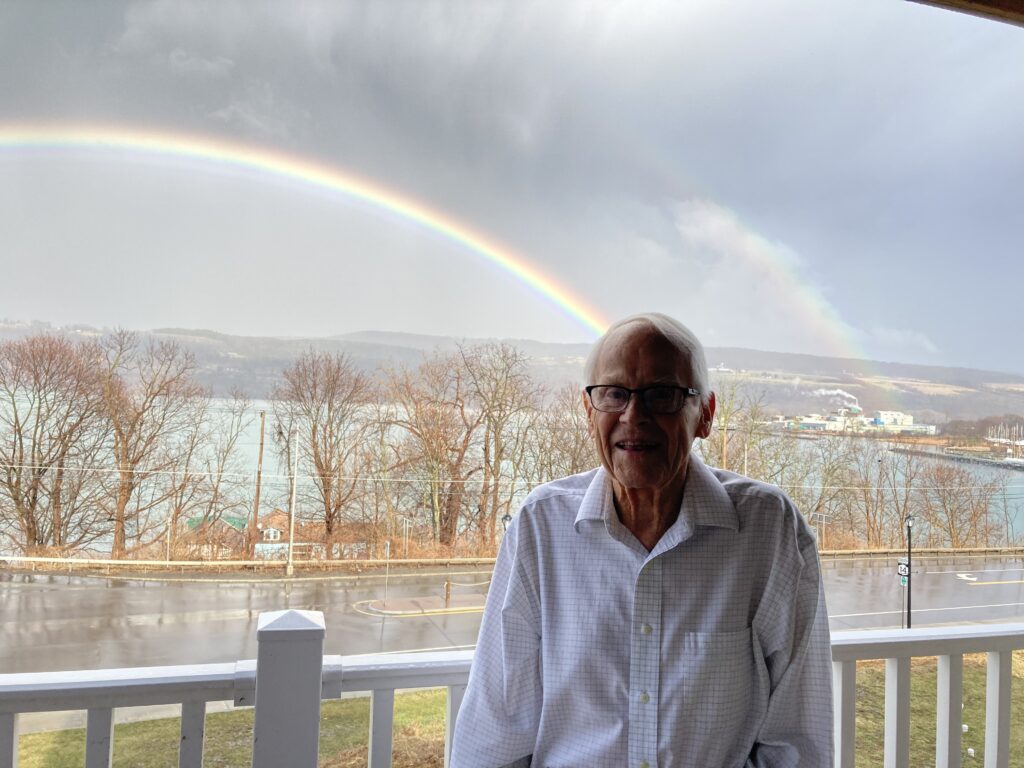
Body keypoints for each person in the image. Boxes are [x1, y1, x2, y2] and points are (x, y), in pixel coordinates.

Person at [450, 312, 833, 768]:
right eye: (614, 394)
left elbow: (798, 744)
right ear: (589, 413)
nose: (634, 416)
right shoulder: (541, 527)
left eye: (662, 395)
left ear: (705, 415)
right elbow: (494, 733)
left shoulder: (769, 532)